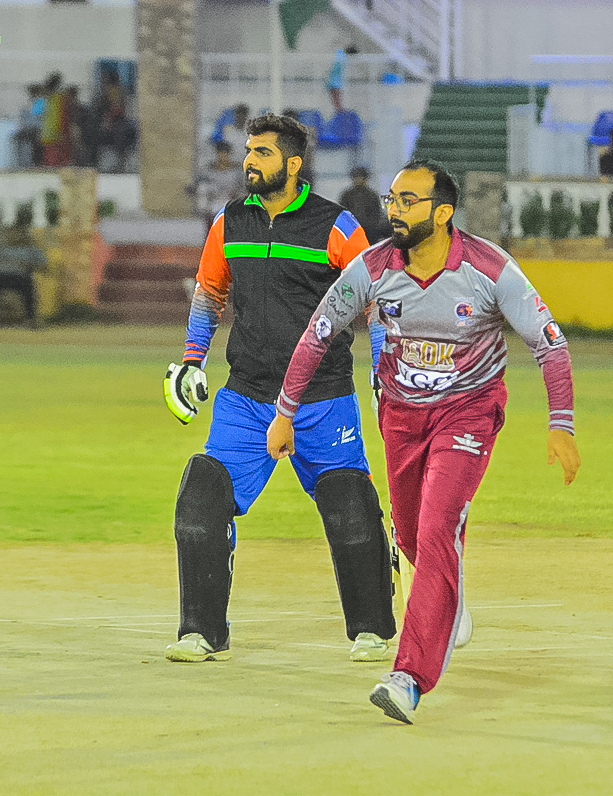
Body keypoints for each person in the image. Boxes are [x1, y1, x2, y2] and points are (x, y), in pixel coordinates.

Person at [266, 159, 582, 724]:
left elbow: (550, 344)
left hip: (468, 414)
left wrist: (562, 424)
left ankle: (408, 678)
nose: (394, 210)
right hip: (400, 418)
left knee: (437, 530)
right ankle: (448, 598)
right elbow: (318, 333)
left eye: (408, 201)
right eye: (392, 199)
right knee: (412, 535)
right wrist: (284, 412)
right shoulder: (373, 267)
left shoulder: (489, 269)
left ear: (443, 213)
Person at [161, 113, 396, 666]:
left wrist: (383, 370)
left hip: (323, 399)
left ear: (293, 164)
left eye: (262, 153)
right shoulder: (229, 222)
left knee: (349, 504)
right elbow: (209, 293)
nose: (249, 161)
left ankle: (372, 629)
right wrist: (192, 361)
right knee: (202, 496)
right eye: (249, 151)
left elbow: (377, 302)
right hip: (245, 398)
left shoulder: (336, 226)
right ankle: (201, 633)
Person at [0, 206, 48, 329]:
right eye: (12, 232)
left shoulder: (30, 249)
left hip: (19, 276)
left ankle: (31, 319)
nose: (15, 235)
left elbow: (43, 266)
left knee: (28, 285)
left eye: (18, 232)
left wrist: (28, 265)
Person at [192, 141, 247, 228]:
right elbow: (198, 185)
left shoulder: (237, 171)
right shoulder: (208, 170)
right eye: (220, 154)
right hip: (212, 202)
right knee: (203, 188)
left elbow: (243, 188)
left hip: (230, 201)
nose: (222, 157)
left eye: (225, 154)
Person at [338, 166, 390, 243]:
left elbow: (376, 214)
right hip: (352, 231)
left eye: (361, 177)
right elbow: (342, 213)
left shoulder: (371, 195)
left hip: (368, 231)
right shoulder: (347, 195)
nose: (359, 180)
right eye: (356, 177)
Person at [326, 46, 358, 114]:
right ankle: (340, 111)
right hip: (335, 82)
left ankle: (339, 110)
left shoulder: (339, 55)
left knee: (335, 99)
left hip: (332, 81)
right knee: (337, 98)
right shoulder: (342, 58)